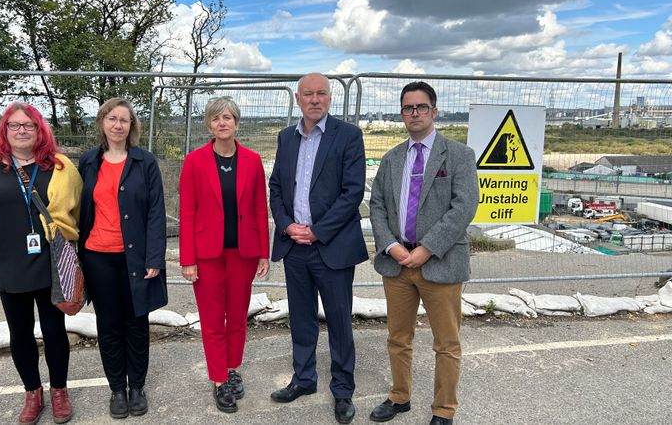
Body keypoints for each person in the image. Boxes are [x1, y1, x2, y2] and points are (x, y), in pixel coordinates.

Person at [368, 81, 479, 425]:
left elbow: (464, 207)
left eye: (420, 107)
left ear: (434, 111)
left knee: (446, 342)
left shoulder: (459, 155)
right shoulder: (391, 159)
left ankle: (443, 410)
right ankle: (399, 397)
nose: (413, 113)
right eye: (407, 108)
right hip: (397, 262)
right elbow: (377, 206)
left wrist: (427, 249)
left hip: (440, 263)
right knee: (398, 338)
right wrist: (393, 246)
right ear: (401, 114)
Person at [0, 102, 82, 425]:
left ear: (39, 130)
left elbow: (75, 212)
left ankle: (59, 390)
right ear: (4, 131)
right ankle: (33, 392)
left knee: (55, 331)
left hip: (50, 264)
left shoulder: (59, 167)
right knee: (19, 333)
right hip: (9, 264)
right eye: (14, 125)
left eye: (28, 126)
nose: (21, 131)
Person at [268, 73, 367, 424]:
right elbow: (276, 187)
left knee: (339, 320)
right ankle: (304, 379)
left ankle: (343, 390)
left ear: (329, 98)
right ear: (298, 99)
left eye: (321, 94)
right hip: (294, 246)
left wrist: (317, 231)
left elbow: (352, 192)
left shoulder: (349, 136)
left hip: (332, 246)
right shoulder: (286, 138)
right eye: (308, 94)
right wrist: (286, 225)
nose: (314, 100)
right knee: (302, 319)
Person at [179, 96, 270, 413]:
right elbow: (187, 212)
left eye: (228, 117)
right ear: (209, 124)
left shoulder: (253, 160)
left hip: (243, 253)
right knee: (213, 320)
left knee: (238, 318)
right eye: (217, 118)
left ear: (237, 123)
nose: (223, 122)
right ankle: (219, 379)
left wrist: (263, 253)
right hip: (206, 256)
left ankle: (232, 368)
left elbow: (260, 208)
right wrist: (187, 259)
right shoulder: (194, 161)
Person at [77, 98, 168, 419]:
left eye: (124, 120)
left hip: (137, 259)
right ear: (102, 123)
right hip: (97, 258)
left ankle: (136, 387)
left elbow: (157, 212)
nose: (118, 125)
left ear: (132, 127)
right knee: (109, 326)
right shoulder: (88, 162)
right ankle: (117, 389)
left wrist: (154, 257)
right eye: (112, 119)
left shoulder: (145, 162)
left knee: (137, 323)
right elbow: (80, 210)